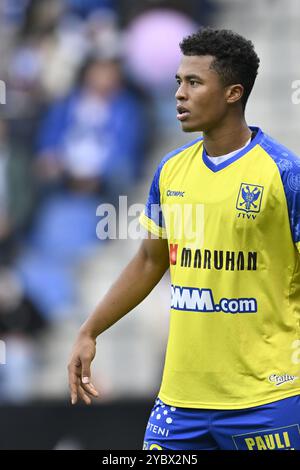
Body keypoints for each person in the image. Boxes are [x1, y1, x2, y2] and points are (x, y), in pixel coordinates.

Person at [68, 28, 300, 450]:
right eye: (178, 82)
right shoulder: (171, 171)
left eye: (194, 83)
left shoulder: (284, 175)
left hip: (267, 400)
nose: (179, 93)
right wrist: (90, 330)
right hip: (179, 405)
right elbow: (148, 261)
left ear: (233, 93)